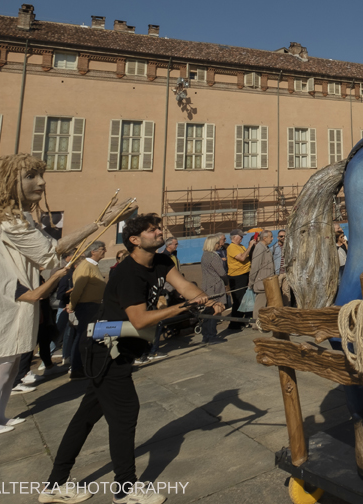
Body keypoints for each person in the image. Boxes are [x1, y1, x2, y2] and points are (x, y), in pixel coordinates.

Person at [40, 214, 224, 504]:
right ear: (135, 240)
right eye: (152, 230)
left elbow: (186, 288)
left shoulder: (162, 262)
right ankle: (125, 490)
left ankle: (54, 486)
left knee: (85, 418)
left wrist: (209, 301)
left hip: (121, 347)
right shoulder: (127, 273)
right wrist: (182, 310)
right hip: (105, 349)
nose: (158, 232)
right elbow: (138, 319)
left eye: (158, 228)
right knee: (125, 414)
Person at [0, 154, 114, 438]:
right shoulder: (10, 222)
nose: (41, 183)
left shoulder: (19, 219)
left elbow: (51, 252)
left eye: (40, 175)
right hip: (3, 300)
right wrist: (99, 222)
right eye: (31, 176)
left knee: (10, 364)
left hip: (13, 299)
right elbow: (51, 253)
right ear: (8, 183)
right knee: (3, 364)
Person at [67, 242, 108, 380]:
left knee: (86, 337)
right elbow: (78, 288)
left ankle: (84, 365)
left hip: (93, 305)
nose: (105, 251)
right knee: (83, 336)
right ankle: (77, 368)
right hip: (87, 306)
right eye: (102, 249)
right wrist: (71, 305)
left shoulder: (91, 266)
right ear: (93, 252)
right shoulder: (85, 266)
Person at [199, 235, 227, 344]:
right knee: (215, 311)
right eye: (217, 243)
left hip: (207, 285)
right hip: (215, 286)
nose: (219, 245)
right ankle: (212, 336)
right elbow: (222, 272)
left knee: (208, 311)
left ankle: (206, 335)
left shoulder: (205, 255)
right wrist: (226, 281)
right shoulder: (213, 256)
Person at [224, 230, 250, 331]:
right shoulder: (232, 247)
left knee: (243, 299)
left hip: (244, 274)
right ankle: (234, 324)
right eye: (240, 236)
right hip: (237, 276)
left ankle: (240, 320)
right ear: (234, 237)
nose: (242, 238)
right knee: (238, 300)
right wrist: (250, 246)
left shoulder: (241, 246)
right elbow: (242, 258)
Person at [248, 230, 276, 318]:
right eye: (270, 237)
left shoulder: (265, 247)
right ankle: (256, 323)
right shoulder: (259, 248)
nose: (272, 238)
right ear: (264, 238)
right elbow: (255, 266)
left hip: (267, 281)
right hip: (261, 282)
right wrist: (251, 282)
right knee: (260, 305)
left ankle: (262, 322)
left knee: (264, 305)